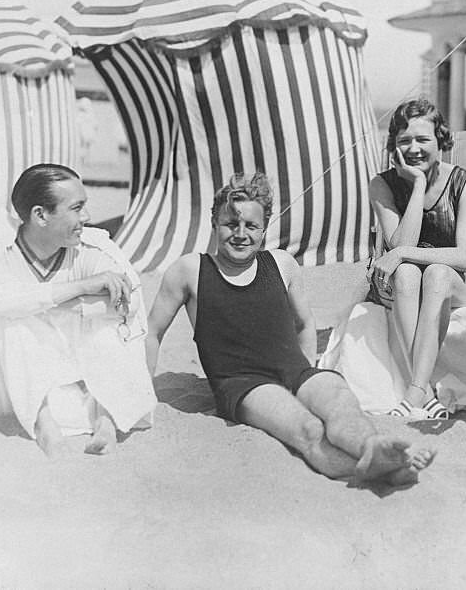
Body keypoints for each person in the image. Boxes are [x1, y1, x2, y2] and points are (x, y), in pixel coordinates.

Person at [146, 173, 435, 486]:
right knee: (308, 429)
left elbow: (305, 322)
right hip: (243, 384)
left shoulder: (281, 264)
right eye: (231, 224)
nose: (241, 234)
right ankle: (381, 468)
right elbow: (152, 333)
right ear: (215, 222)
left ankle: (371, 448)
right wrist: (141, 394)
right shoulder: (190, 270)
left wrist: (307, 371)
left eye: (252, 226)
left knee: (340, 400)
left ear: (265, 227)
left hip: (294, 370)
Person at [0, 164, 157, 457]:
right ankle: (44, 425)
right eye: (76, 208)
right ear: (40, 215)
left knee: (111, 320)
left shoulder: (92, 245)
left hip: (69, 375)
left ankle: (106, 419)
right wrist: (82, 287)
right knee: (11, 318)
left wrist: (55, 304)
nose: (86, 217)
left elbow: (129, 301)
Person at [367, 98, 466, 419]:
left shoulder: (464, 182)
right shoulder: (382, 184)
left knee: (437, 274)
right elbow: (400, 243)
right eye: (404, 141)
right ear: (394, 147)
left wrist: (402, 252)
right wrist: (417, 186)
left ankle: (415, 389)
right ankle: (425, 390)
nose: (414, 148)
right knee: (406, 274)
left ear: (441, 140)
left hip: (453, 281)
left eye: (423, 139)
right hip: (401, 282)